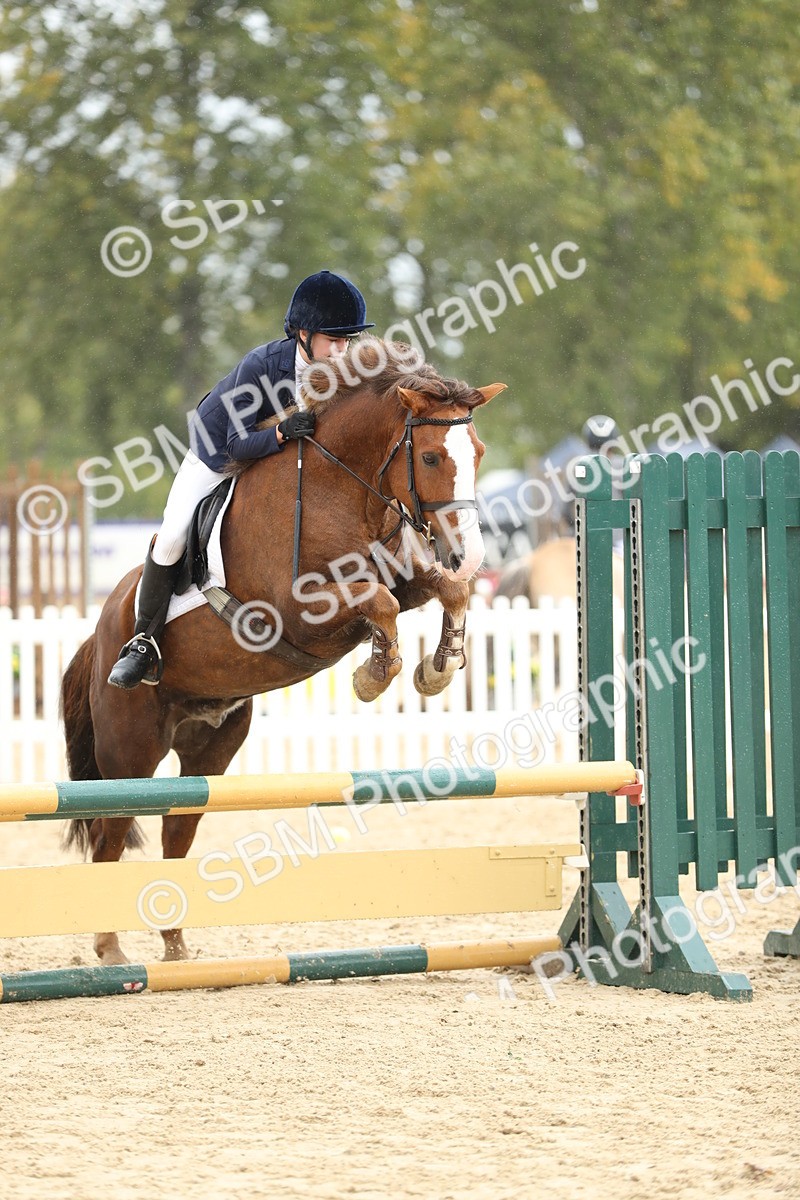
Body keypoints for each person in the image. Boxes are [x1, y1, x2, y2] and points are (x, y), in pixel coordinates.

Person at [107, 269, 374, 690]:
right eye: (334, 340)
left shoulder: (342, 370)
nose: (342, 351)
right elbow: (236, 446)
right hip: (219, 453)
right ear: (303, 334)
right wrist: (284, 432)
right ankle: (143, 639)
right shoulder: (262, 367)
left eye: (347, 341)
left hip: (279, 459)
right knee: (175, 532)